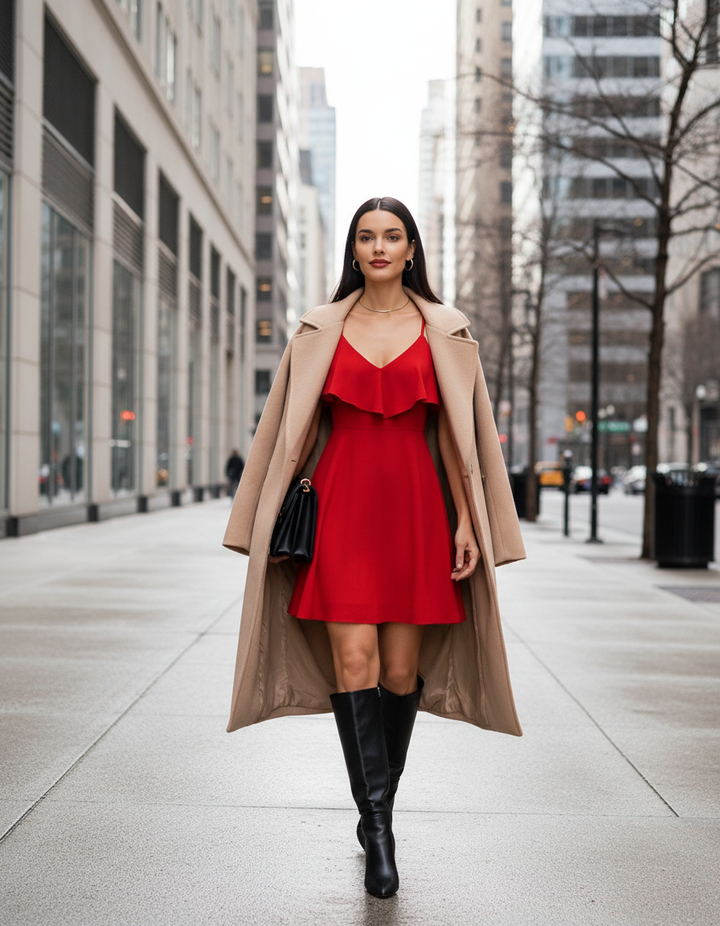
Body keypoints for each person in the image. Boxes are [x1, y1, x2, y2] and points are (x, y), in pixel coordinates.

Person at [223, 197, 525, 899]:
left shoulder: (445, 329)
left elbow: (458, 435)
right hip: (340, 513)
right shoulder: (319, 329)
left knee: (397, 672)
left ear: (412, 249)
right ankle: (380, 829)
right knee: (353, 662)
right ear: (354, 251)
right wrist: (264, 519)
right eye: (367, 237)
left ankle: (374, 809)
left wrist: (465, 523)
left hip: (419, 512)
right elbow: (282, 434)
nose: (379, 246)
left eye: (393, 236)